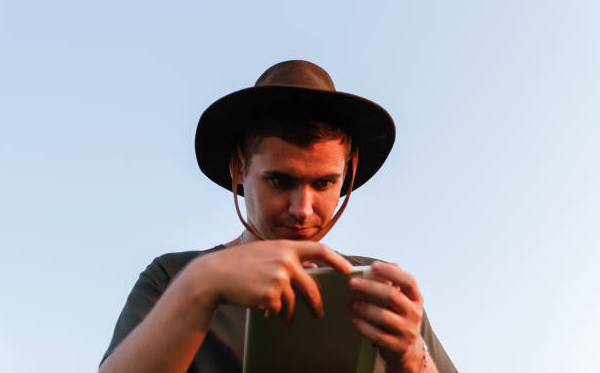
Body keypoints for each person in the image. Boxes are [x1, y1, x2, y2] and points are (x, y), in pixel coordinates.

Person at [99, 60, 457, 372]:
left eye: (324, 183)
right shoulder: (174, 279)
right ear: (239, 167)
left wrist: (412, 359)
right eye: (280, 181)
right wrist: (199, 287)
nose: (302, 209)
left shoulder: (384, 294)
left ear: (345, 175)